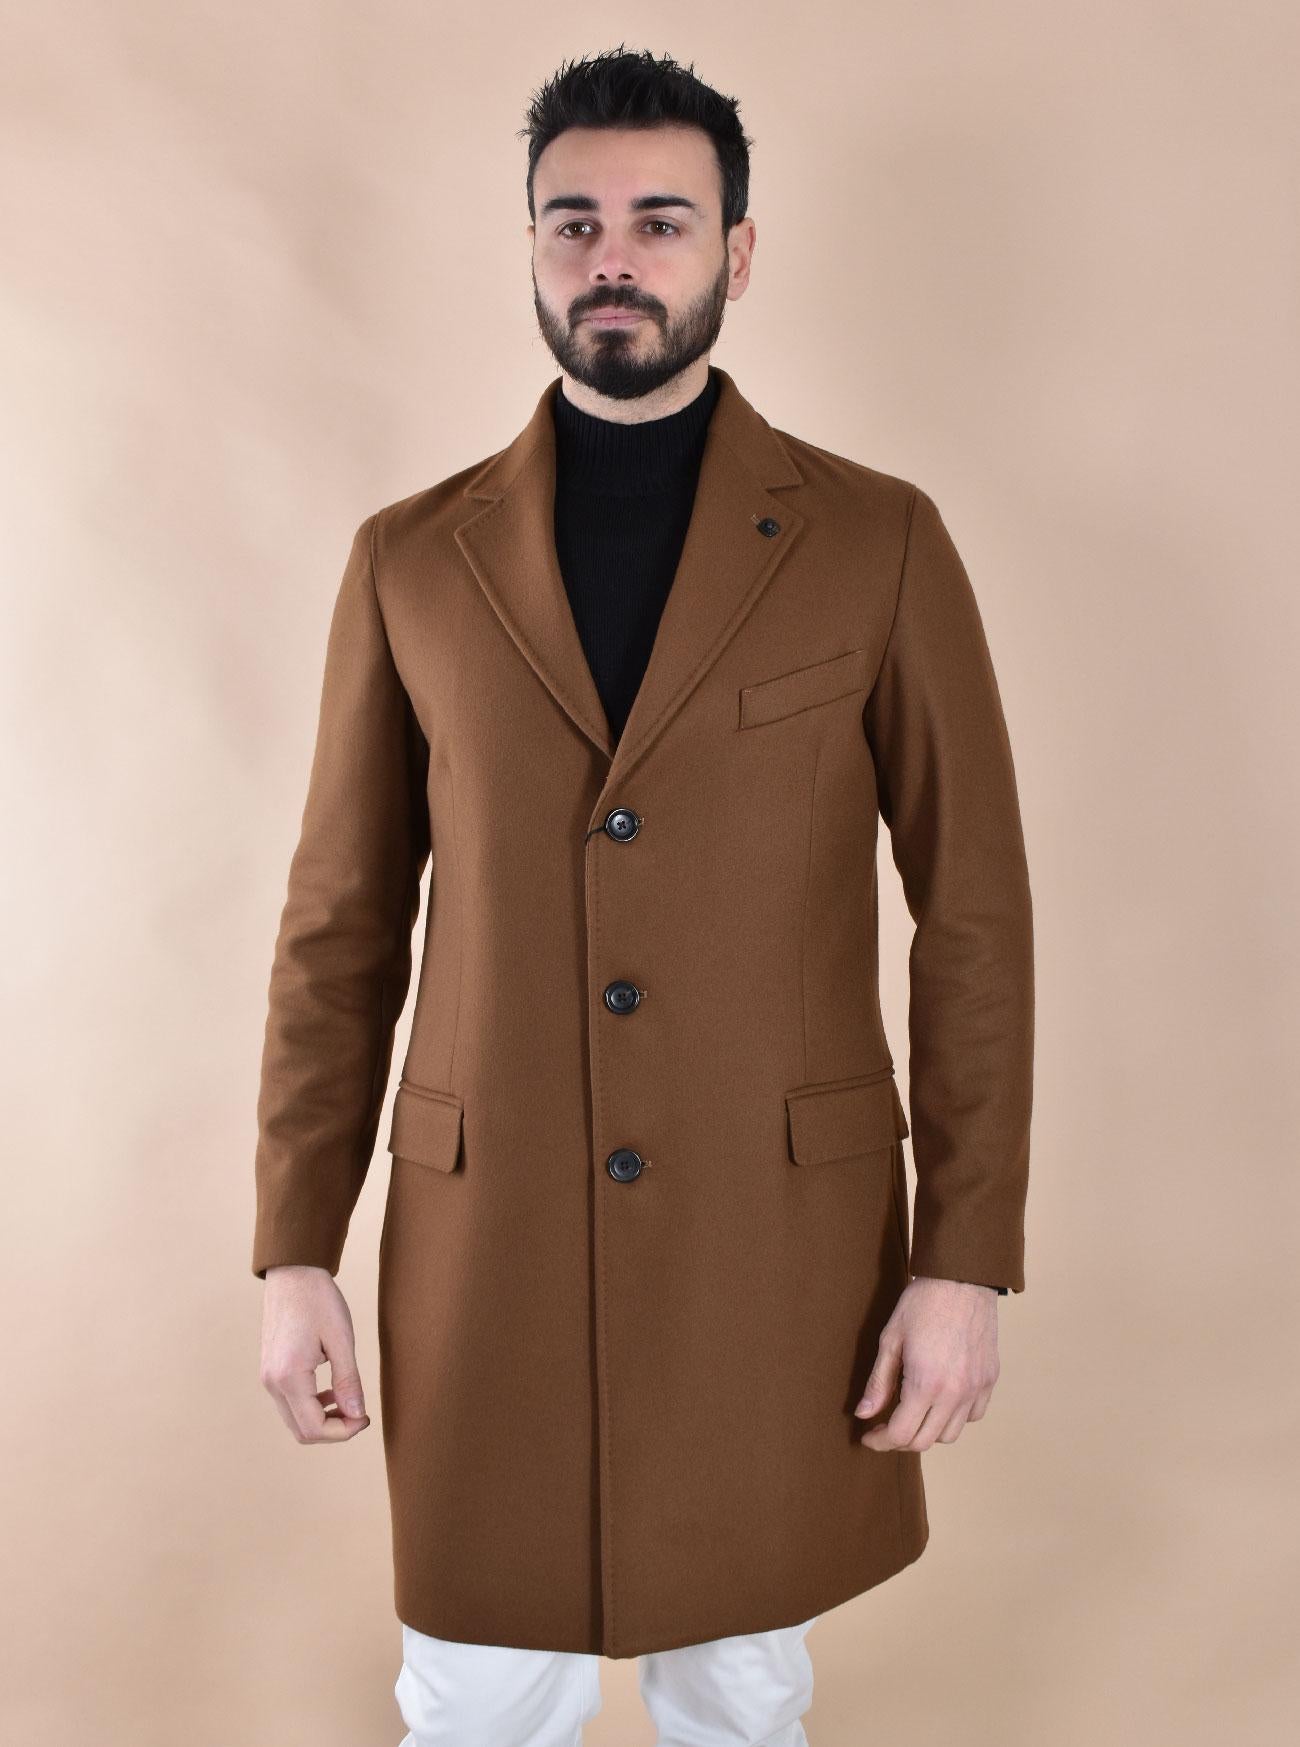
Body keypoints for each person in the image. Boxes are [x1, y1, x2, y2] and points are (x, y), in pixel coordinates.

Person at [253, 45, 1032, 1747]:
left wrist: (963, 1260)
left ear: (736, 252)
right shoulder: (410, 559)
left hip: (777, 1248)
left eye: (660, 221)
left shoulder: (879, 541)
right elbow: (339, 930)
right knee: (472, 1707)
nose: (614, 258)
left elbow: (974, 919)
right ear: (532, 250)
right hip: (489, 1248)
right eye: (575, 223)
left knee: (741, 1701)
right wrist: (295, 1247)